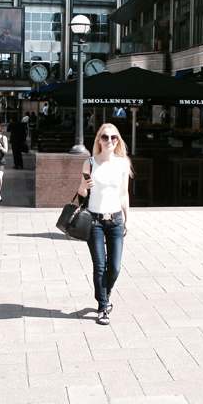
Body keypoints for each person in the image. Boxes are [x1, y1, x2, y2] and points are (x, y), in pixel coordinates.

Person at [78, 123, 132, 326]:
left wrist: (128, 219)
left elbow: (124, 194)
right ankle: (102, 307)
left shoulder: (123, 163)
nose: (110, 141)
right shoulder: (89, 163)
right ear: (99, 140)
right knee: (100, 265)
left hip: (116, 220)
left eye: (114, 138)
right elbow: (82, 194)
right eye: (105, 137)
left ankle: (105, 294)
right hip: (94, 220)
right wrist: (84, 185)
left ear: (118, 140)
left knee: (115, 268)